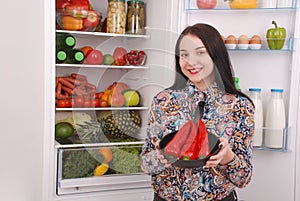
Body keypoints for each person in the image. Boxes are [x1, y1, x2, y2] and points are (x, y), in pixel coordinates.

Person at [141, 23, 255, 201]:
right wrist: (158, 158)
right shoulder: (162, 101)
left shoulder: (240, 106)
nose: (190, 62)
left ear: (215, 55)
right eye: (184, 54)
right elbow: (145, 165)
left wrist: (227, 157)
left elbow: (244, 178)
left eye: (199, 52)